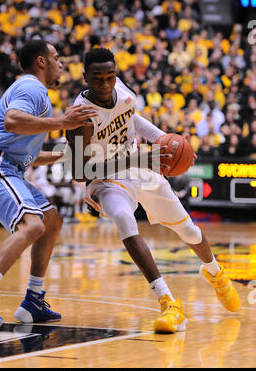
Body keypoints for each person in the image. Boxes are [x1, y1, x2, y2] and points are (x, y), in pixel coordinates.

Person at [67, 48, 240, 334]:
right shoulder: (81, 116)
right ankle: (169, 302)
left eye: (110, 77)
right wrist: (139, 158)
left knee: (190, 232)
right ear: (85, 77)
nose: (105, 84)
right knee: (124, 219)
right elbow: (79, 172)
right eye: (97, 78)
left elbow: (132, 118)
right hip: (107, 178)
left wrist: (165, 140)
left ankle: (215, 273)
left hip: (139, 167)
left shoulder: (120, 90)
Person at [0, 40, 98, 329]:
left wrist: (62, 156)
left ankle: (33, 300)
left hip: (7, 165)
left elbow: (30, 155)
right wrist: (64, 123)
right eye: (56, 58)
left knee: (51, 219)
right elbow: (11, 121)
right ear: (41, 61)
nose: (61, 64)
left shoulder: (38, 98)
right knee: (32, 226)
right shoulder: (32, 86)